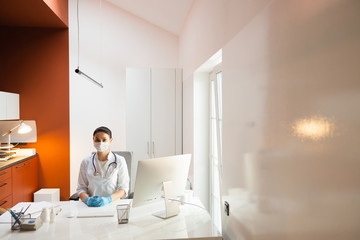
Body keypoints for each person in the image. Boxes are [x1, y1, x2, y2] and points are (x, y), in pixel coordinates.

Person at [76, 126, 130, 207]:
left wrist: (108, 200)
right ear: (93, 140)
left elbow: (124, 189)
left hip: (113, 205)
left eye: (104, 140)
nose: (100, 143)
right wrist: (88, 200)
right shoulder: (86, 162)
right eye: (97, 140)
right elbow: (81, 188)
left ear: (110, 140)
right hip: (91, 206)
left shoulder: (120, 160)